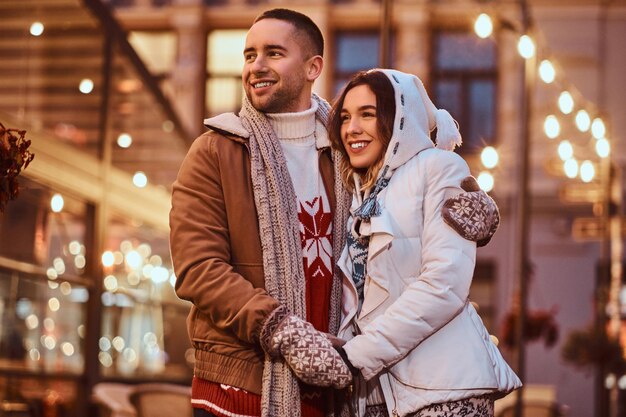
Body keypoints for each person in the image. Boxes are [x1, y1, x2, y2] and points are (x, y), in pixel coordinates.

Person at [170, 8, 501, 417]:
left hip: (332, 387)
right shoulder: (216, 151)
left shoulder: (344, 155)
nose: (256, 66)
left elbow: (408, 164)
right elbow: (198, 268)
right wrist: (280, 329)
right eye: (249, 54)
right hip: (239, 383)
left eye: (273, 53)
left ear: (314, 67)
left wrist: (468, 198)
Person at [327, 69, 522, 417]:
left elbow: (444, 284)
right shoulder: (358, 196)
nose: (351, 128)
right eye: (344, 117)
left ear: (399, 119)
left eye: (367, 115)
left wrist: (355, 356)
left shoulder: (439, 168)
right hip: (378, 395)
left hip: (442, 390)